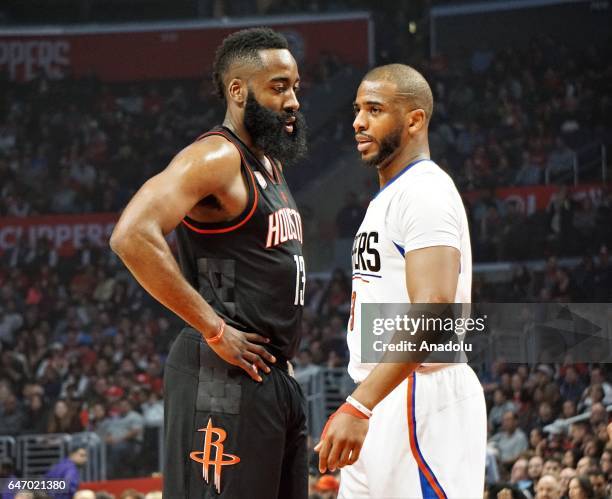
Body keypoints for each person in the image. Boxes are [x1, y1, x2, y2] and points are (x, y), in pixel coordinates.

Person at [110, 27, 308, 498]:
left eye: (296, 86)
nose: (294, 100)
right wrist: (215, 329)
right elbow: (132, 235)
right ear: (238, 90)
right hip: (221, 380)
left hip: (269, 376)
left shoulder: (270, 166)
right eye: (279, 86)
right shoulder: (217, 156)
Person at [315, 64, 486, 497]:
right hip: (384, 395)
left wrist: (359, 402)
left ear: (414, 119)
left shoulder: (425, 191)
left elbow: (434, 308)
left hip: (421, 395)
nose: (358, 121)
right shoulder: (388, 197)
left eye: (374, 109)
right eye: (357, 110)